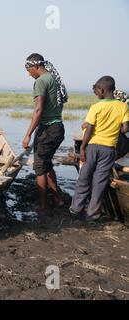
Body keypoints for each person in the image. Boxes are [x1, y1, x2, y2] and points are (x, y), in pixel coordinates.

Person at [70, 77, 129, 222]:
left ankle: (76, 208)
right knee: (100, 181)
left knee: (84, 177)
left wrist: (82, 148)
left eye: (95, 89)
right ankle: (92, 214)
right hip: (109, 149)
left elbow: (89, 129)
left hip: (92, 147)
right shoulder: (123, 107)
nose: (95, 92)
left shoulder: (96, 107)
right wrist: (114, 128)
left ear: (101, 90)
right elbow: (126, 128)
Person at [23, 53, 67, 214]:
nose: (29, 74)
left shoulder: (41, 81)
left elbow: (38, 110)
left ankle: (43, 205)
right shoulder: (53, 78)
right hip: (58, 127)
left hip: (48, 129)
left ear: (35, 67)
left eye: (29, 70)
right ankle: (58, 198)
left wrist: (28, 134)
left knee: (40, 166)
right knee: (46, 164)